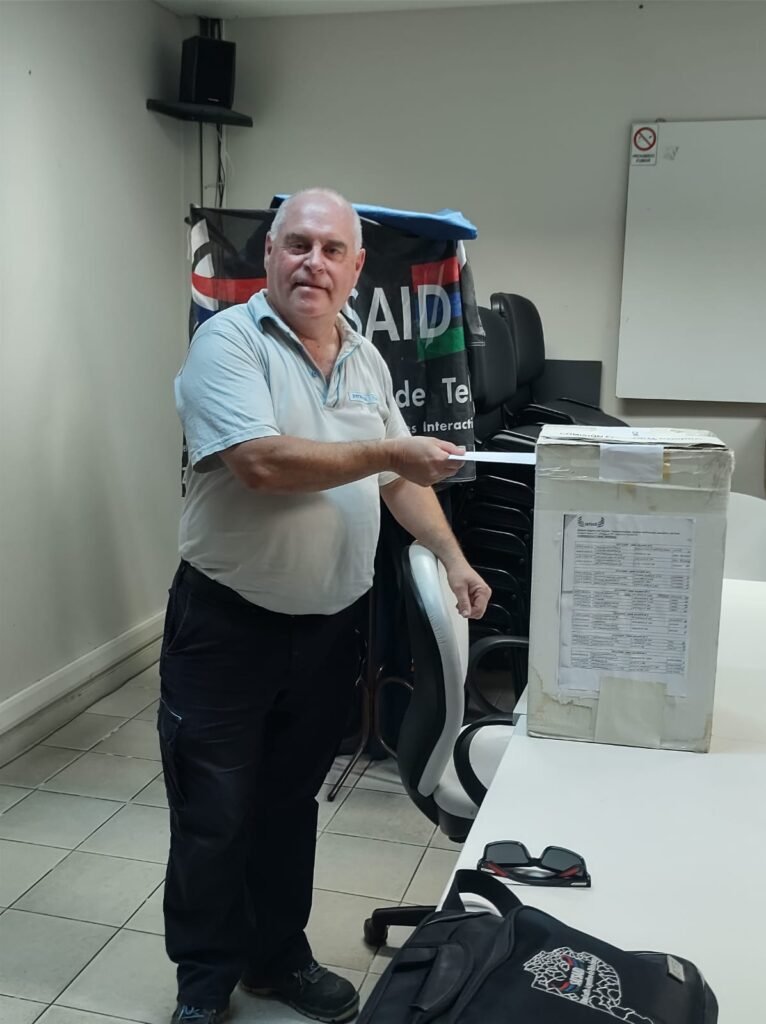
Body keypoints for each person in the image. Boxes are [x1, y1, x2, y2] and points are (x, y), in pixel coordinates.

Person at [161, 188, 490, 1024]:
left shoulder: (365, 358)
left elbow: (398, 480)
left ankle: (276, 960)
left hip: (328, 630)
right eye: (298, 244)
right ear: (270, 255)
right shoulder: (228, 343)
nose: (314, 262)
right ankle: (203, 985)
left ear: (356, 267)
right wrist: (388, 450)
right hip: (227, 627)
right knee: (213, 814)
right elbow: (261, 464)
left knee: (286, 808)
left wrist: (452, 555)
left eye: (332, 249)